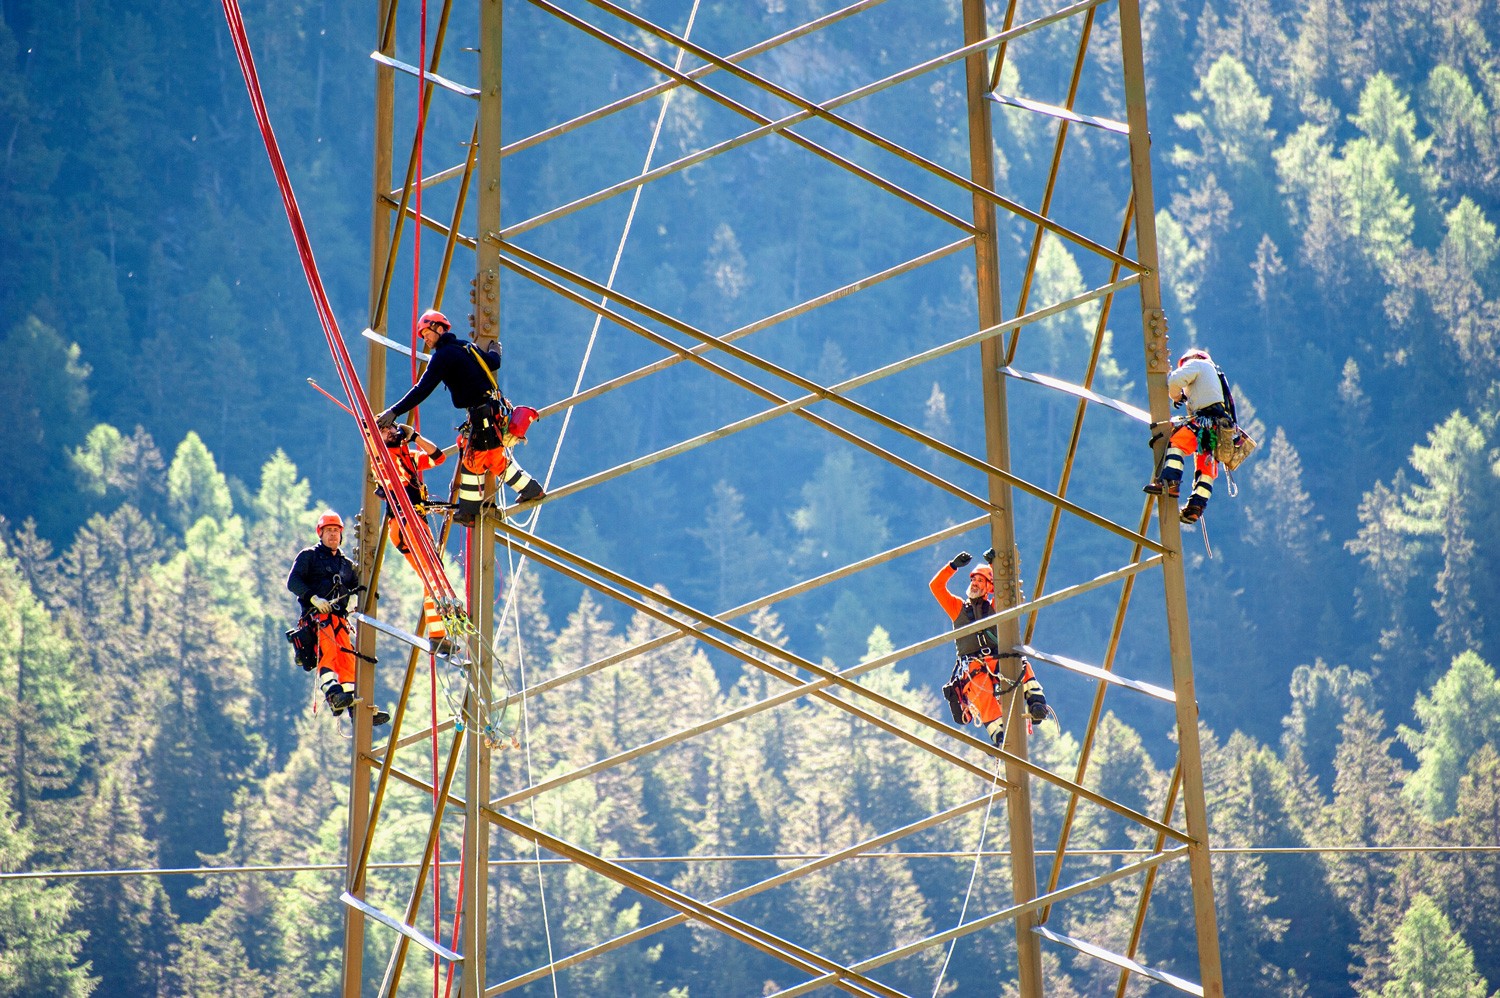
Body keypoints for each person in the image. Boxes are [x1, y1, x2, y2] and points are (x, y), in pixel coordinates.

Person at [374, 309, 543, 525]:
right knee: (494, 459)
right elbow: (492, 363)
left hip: (482, 415)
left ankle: (470, 512)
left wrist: (395, 411)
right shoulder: (465, 346)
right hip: (490, 413)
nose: (425, 338)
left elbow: (422, 389)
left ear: (439, 329)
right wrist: (495, 351)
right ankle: (530, 489)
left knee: (473, 462)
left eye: (427, 332)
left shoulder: (443, 357)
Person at [929, 548, 1048, 747]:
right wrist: (952, 566)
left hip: (998, 658)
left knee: (1019, 663)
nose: (974, 583)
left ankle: (1037, 703)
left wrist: (995, 565)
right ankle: (1000, 736)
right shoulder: (958, 608)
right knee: (980, 687)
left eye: (980, 580)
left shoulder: (996, 606)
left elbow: (1006, 591)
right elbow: (936, 587)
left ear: (989, 586)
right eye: (973, 580)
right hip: (974, 665)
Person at [286, 511, 388, 725]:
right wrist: (313, 598)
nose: (332, 535)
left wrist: (370, 592)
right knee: (330, 654)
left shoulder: (346, 565)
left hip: (339, 620)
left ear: (341, 535)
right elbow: (293, 582)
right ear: (320, 534)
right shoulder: (309, 557)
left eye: (336, 531)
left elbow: (360, 588)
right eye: (329, 531)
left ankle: (354, 708)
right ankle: (333, 693)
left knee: (348, 661)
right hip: (318, 619)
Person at [377, 423, 453, 654]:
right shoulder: (382, 456)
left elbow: (438, 458)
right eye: (384, 431)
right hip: (405, 521)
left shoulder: (407, 455)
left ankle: (438, 635)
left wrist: (415, 436)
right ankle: (440, 633)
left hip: (415, 522)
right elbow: (387, 469)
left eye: (390, 428)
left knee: (432, 576)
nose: (390, 432)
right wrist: (390, 440)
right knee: (433, 573)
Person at [1144, 347, 1235, 524]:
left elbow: (1174, 380)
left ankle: (1170, 482)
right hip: (1219, 427)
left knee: (1177, 443)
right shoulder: (1215, 373)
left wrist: (1176, 397)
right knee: (1206, 464)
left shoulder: (1196, 364)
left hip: (1206, 421)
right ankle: (1196, 507)